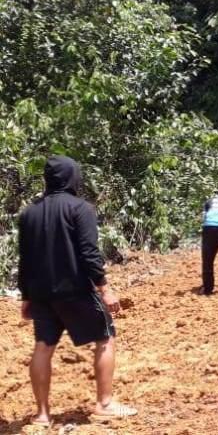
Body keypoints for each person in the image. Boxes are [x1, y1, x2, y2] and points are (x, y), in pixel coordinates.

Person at [17, 155, 137, 425]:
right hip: (75, 290)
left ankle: (42, 415)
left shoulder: (29, 213)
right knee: (105, 337)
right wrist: (104, 289)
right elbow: (89, 253)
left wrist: (26, 296)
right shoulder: (80, 208)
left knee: (43, 347)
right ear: (73, 177)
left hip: (42, 294)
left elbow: (25, 258)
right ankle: (105, 403)